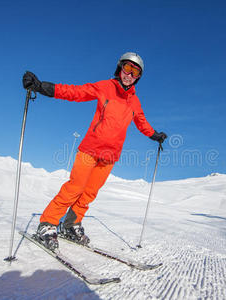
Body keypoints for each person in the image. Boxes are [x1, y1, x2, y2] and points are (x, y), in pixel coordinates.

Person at [22, 52, 167, 250]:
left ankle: (71, 224)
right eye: (127, 68)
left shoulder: (135, 102)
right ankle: (47, 223)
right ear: (120, 68)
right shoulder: (105, 87)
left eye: (135, 71)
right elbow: (75, 92)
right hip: (90, 149)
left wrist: (155, 135)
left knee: (89, 193)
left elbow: (142, 123)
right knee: (74, 188)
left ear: (138, 77)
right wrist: (43, 87)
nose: (129, 74)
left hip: (110, 156)